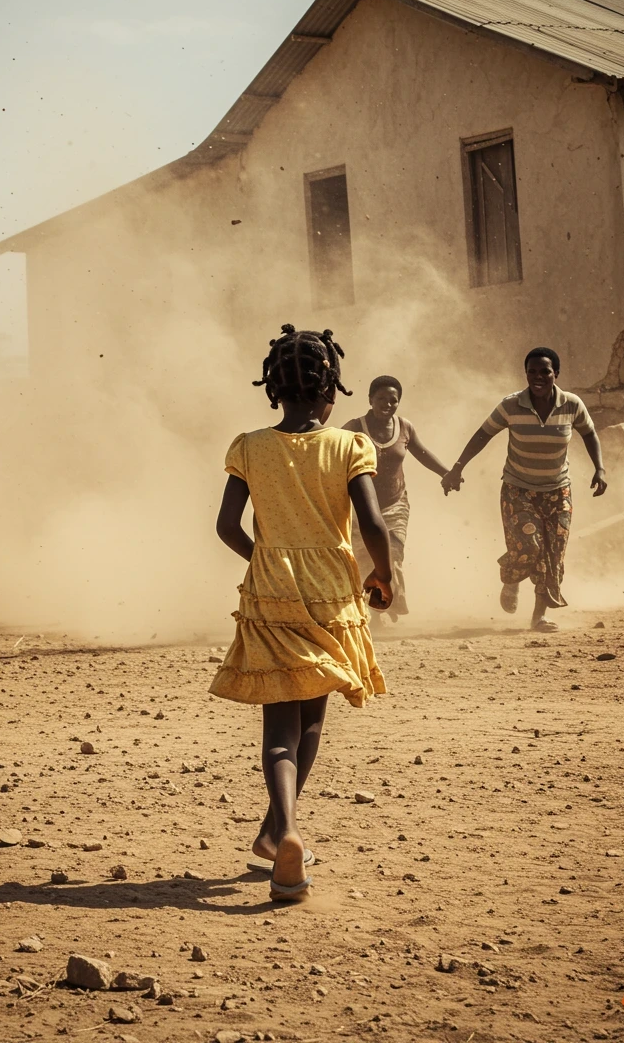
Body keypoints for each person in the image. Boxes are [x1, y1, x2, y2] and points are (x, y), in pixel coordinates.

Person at [211, 324, 392, 903]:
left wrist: (266, 560)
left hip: (271, 593)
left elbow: (225, 528)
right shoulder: (349, 445)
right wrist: (383, 575)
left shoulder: (248, 446)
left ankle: (279, 829)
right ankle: (280, 832)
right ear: (329, 390)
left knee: (277, 726)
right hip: (332, 594)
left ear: (275, 389)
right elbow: (372, 524)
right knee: (311, 718)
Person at [441, 347, 606, 632]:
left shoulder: (571, 404)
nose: (538, 377)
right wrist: (458, 467)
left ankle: (539, 617)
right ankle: (511, 578)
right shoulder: (511, 405)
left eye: (545, 371)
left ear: (556, 373)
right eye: (532, 371)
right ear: (526, 374)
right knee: (528, 547)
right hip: (519, 489)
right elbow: (483, 434)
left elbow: (589, 432)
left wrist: (599, 468)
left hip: (558, 491)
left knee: (553, 554)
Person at [343, 376, 449, 622]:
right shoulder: (353, 428)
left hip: (395, 504)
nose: (387, 404)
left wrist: (446, 473)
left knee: (392, 555)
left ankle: (387, 600)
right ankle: (375, 611)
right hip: (360, 507)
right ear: (370, 400)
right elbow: (332, 455)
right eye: (381, 399)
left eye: (393, 400)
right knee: (364, 558)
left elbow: (422, 453)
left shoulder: (404, 427)